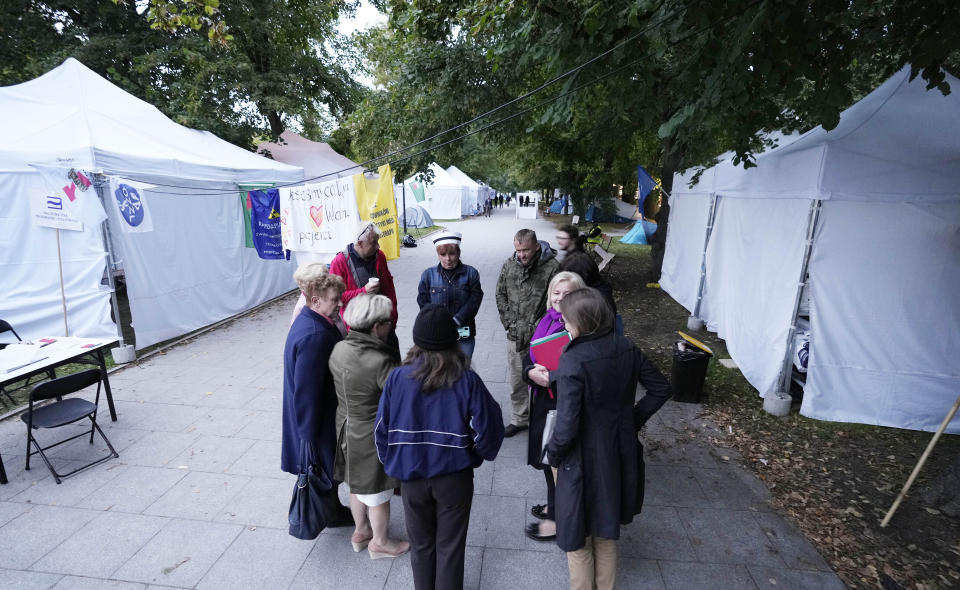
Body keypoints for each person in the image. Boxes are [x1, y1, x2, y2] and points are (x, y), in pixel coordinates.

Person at [545, 288, 672, 590]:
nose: (563, 325)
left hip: (581, 458)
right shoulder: (626, 347)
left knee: (578, 539)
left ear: (583, 321)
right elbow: (661, 389)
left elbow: (567, 422)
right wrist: (631, 421)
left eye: (566, 320)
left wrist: (553, 454)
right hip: (618, 451)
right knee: (606, 529)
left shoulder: (573, 359)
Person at [376, 305, 505, 590]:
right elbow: (490, 428)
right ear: (453, 340)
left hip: (410, 478)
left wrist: (393, 462)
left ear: (416, 340)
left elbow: (381, 431)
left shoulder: (397, 378)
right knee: (450, 547)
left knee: (421, 546)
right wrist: (476, 454)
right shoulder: (467, 379)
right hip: (453, 480)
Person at [329, 294, 409, 559]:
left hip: (345, 427)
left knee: (354, 484)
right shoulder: (380, 360)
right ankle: (381, 542)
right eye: (388, 321)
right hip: (371, 434)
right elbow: (399, 399)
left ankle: (360, 531)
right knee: (377, 492)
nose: (391, 325)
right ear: (376, 326)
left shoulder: (339, 348)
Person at [281, 262, 353, 526]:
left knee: (328, 467)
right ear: (315, 300)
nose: (339, 305)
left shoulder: (312, 320)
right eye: (334, 300)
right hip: (318, 418)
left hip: (317, 415)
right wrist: (307, 438)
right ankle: (328, 514)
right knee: (324, 465)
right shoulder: (315, 335)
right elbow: (308, 392)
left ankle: (331, 510)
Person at [522, 271, 585, 542]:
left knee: (555, 460)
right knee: (547, 461)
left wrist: (550, 378)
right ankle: (555, 505)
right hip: (543, 398)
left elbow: (579, 373)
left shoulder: (578, 327)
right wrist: (529, 373)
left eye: (568, 294)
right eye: (556, 293)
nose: (560, 299)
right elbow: (531, 353)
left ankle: (557, 520)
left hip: (559, 403)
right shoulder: (548, 320)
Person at [495, 229, 560, 437]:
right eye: (518, 250)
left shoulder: (552, 268)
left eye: (526, 250)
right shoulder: (509, 264)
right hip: (515, 335)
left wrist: (545, 327)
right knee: (517, 380)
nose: (521, 255)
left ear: (537, 247)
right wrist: (509, 323)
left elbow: (556, 301)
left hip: (542, 337)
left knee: (542, 379)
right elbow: (500, 293)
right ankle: (519, 419)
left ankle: (542, 419)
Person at [329, 221, 399, 351]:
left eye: (378, 241)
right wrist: (363, 291)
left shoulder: (379, 256)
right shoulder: (340, 261)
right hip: (358, 331)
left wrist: (392, 319)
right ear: (359, 243)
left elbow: (389, 288)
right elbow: (335, 298)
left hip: (383, 326)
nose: (378, 246)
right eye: (373, 243)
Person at [417, 231, 484, 358]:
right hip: (438, 332)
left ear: (459, 253)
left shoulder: (471, 273)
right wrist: (438, 320)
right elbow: (423, 302)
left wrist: (457, 319)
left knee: (462, 369)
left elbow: (475, 300)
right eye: (443, 254)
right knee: (439, 370)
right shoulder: (428, 275)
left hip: (464, 332)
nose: (448, 259)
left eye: (452, 254)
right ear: (438, 254)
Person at [554, 224, 619, 325]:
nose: (559, 241)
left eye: (562, 238)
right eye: (558, 237)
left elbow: (576, 294)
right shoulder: (574, 256)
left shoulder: (578, 262)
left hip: (598, 315)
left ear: (572, 240)